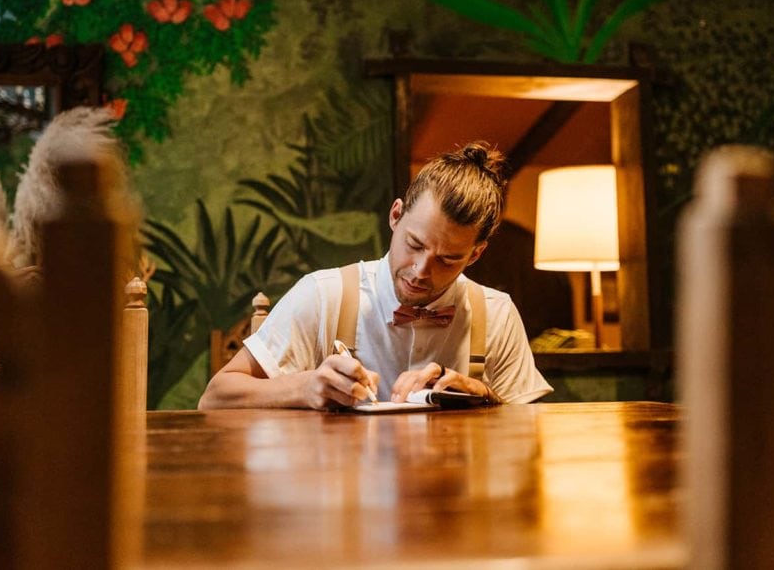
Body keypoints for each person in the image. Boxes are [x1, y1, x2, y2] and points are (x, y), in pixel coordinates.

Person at [198, 141, 553, 410]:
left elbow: (531, 436)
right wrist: (305, 388)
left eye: (448, 259)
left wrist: (486, 396)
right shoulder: (323, 295)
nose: (421, 270)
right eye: (414, 244)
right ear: (396, 215)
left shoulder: (496, 313)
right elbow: (215, 397)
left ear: (475, 254)